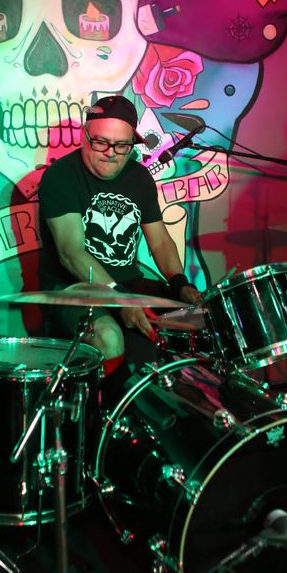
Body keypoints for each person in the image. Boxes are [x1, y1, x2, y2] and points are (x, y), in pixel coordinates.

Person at [38, 94, 203, 405]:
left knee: (198, 322)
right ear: (85, 136)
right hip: (73, 289)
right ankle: (106, 423)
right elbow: (71, 252)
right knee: (109, 337)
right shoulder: (61, 176)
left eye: (122, 145)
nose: (111, 153)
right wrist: (119, 297)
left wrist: (180, 283)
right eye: (101, 142)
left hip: (128, 286)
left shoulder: (139, 177)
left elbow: (160, 240)